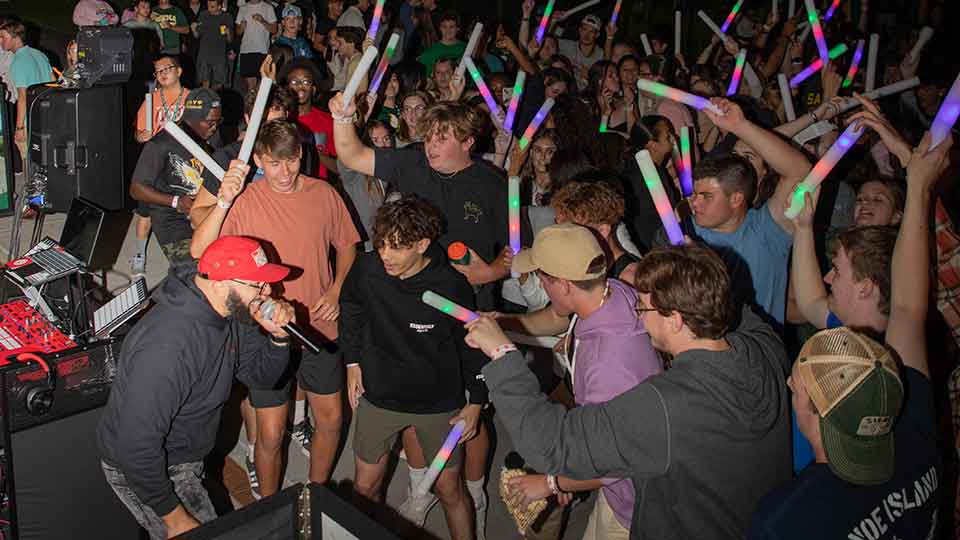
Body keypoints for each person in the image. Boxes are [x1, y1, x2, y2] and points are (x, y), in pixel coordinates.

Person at [464, 243, 792, 539]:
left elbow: (551, 443)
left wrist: (502, 355)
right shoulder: (763, 344)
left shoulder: (664, 406)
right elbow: (738, 306)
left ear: (675, 319)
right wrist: (692, 267)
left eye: (644, 309)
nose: (637, 315)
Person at [749, 133, 950, 539]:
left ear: (819, 413)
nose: (792, 381)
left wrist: (919, 189)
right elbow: (908, 309)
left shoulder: (790, 519)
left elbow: (909, 309)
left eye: (800, 386)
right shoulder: (905, 415)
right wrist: (919, 189)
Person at [190, 119, 360, 492]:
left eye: (292, 161)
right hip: (266, 331)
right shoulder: (246, 202)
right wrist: (223, 199)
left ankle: (315, 494)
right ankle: (270, 506)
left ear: (302, 154)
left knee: (330, 420)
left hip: (318, 324)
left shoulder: (323, 193)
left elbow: (348, 245)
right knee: (270, 433)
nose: (284, 173)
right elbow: (200, 252)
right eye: (274, 163)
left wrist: (335, 290)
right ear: (258, 160)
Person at [97, 236, 296, 540]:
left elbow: (260, 377)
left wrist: (278, 337)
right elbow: (135, 447)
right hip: (151, 467)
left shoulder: (229, 311)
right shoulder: (169, 348)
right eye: (257, 285)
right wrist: (174, 518)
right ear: (218, 283)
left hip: (184, 452)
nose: (268, 292)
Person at [500, 223, 663, 539]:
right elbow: (556, 317)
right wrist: (503, 322)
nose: (540, 286)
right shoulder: (611, 290)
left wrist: (552, 482)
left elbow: (615, 461)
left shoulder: (608, 366)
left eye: (542, 279)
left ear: (562, 284)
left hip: (633, 507)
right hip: (616, 492)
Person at [340, 195, 486, 540]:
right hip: (379, 394)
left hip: (438, 402)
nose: (385, 255)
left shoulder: (451, 285)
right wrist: (352, 360)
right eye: (381, 244)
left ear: (422, 244)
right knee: (363, 488)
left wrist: (476, 401)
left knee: (450, 489)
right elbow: (351, 308)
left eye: (397, 247)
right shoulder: (368, 267)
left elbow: (475, 344)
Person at [331, 96, 511, 302]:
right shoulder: (412, 164)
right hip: (417, 296)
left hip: (470, 301)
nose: (431, 146)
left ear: (467, 142)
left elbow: (517, 247)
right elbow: (353, 156)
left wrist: (490, 273)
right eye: (428, 137)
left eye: (441, 139)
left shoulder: (492, 183)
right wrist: (342, 119)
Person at [130, 87, 221, 268]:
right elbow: (136, 189)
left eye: (218, 121)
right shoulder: (161, 143)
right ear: (192, 118)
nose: (214, 127)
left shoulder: (212, 136)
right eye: (210, 122)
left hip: (205, 211)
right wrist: (176, 202)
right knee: (194, 269)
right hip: (173, 220)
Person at [0, 20, 52, 158]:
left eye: (3, 37)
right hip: (48, 115)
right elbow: (54, 83)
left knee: (30, 162)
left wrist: (20, 128)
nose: (0, 41)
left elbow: (22, 96)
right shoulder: (39, 54)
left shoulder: (18, 61)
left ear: (15, 37)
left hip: (30, 120)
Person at [285, 58, 338, 179]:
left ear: (313, 89)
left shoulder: (328, 121)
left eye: (306, 82)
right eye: (294, 82)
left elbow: (340, 167)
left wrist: (315, 154)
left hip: (318, 186)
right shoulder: (283, 120)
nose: (300, 87)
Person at [236, 0, 278, 91]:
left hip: (262, 50)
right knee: (251, 87)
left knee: (263, 86)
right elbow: (238, 32)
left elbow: (274, 30)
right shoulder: (243, 8)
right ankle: (250, 104)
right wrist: (241, 27)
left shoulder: (268, 7)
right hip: (246, 50)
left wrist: (263, 21)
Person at [556, 14, 604, 90]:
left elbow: (603, 82)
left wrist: (590, 76)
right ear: (579, 30)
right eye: (584, 29)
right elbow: (547, 40)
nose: (586, 35)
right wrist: (553, 21)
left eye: (591, 32)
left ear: (597, 35)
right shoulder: (567, 45)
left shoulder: (600, 54)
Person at [193, 0, 233, 90]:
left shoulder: (226, 16)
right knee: (204, 82)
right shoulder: (203, 15)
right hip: (204, 54)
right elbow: (197, 36)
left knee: (218, 84)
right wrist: (194, 29)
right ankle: (206, 101)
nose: (209, 8)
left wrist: (228, 32)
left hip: (219, 55)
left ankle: (216, 103)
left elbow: (230, 40)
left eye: (212, 6)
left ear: (219, 6)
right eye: (208, 6)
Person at [418, 11, 465, 76]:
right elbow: (422, 78)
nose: (448, 30)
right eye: (444, 26)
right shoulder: (431, 52)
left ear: (458, 29)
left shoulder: (465, 48)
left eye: (451, 27)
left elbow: (476, 75)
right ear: (440, 28)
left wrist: (482, 86)